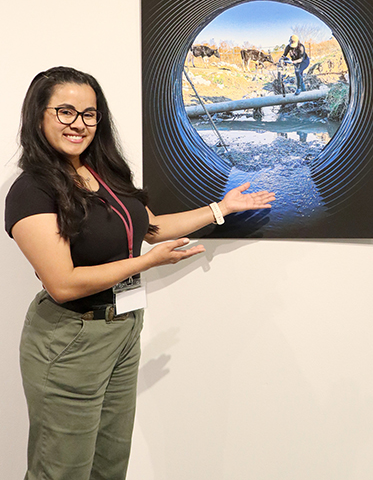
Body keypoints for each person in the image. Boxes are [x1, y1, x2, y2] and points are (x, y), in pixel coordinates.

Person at [5, 66, 275, 480]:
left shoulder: (103, 173)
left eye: (89, 114)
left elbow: (152, 228)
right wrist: (147, 263)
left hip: (123, 329)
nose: (79, 124)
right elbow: (62, 284)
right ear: (38, 116)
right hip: (71, 338)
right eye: (65, 111)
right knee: (61, 470)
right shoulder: (30, 191)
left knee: (110, 465)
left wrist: (223, 208)